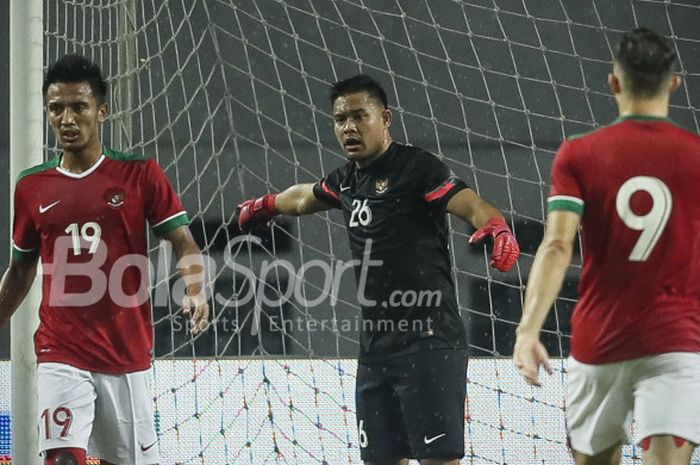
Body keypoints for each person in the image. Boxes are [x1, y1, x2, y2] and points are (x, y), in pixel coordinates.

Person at [237, 74, 519, 465]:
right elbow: (304, 197)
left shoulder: (417, 167)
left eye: (359, 116)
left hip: (430, 342)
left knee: (439, 461)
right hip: (376, 349)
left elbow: (469, 203)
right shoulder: (347, 180)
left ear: (384, 118)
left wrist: (496, 224)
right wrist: (265, 205)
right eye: (340, 119)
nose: (348, 127)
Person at [0, 54, 209, 465]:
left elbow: (183, 243)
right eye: (56, 108)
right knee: (62, 458)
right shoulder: (31, 187)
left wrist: (197, 289)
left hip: (125, 352)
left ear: (102, 111)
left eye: (79, 107)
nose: (67, 118)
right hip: (61, 350)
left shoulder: (139, 174)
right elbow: (21, 269)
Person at [513, 27, 700, 465]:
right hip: (675, 344)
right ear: (674, 83)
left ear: (614, 83)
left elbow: (558, 245)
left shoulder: (579, 153)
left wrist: (528, 331)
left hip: (599, 344)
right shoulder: (696, 155)